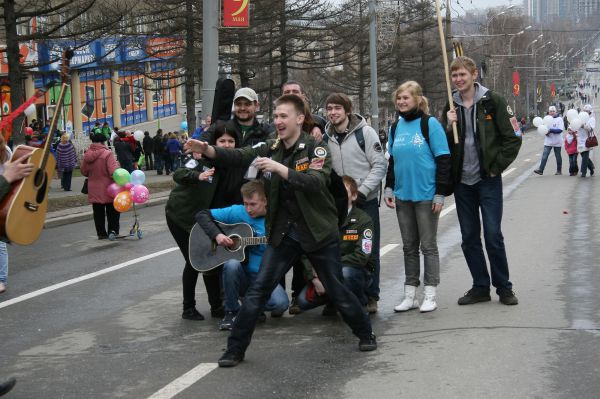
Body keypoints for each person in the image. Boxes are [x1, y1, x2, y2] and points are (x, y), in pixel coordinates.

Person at [185, 94, 377, 368]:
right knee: (258, 291)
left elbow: (315, 182)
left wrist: (280, 168)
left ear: (299, 118)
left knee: (336, 288)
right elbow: (239, 155)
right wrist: (208, 150)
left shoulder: (316, 148)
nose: (278, 121)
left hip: (317, 232)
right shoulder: (271, 146)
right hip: (284, 233)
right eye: (275, 116)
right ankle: (235, 349)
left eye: (283, 116)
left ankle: (364, 332)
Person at [442, 56, 521, 306]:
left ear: (474, 75)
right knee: (468, 237)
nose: (458, 79)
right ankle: (480, 287)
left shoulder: (492, 101)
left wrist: (496, 167)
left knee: (493, 234)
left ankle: (504, 287)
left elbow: (514, 137)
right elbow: (444, 145)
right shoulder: (450, 104)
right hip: (462, 183)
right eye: (454, 76)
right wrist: (447, 125)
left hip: (487, 180)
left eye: (463, 74)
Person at [165, 122, 246, 321]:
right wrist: (197, 175)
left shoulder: (235, 164)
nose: (226, 145)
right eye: (222, 141)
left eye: (231, 141)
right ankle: (188, 308)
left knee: (212, 260)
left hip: (207, 219)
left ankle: (217, 306)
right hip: (182, 216)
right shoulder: (202, 159)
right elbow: (179, 174)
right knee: (195, 261)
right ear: (213, 142)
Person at [384, 81, 452, 313]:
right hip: (403, 196)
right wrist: (389, 188)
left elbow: (443, 159)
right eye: (399, 98)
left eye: (406, 98)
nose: (402, 102)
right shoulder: (395, 127)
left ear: (417, 99)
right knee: (408, 247)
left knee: (428, 246)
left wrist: (440, 193)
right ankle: (410, 294)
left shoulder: (429, 124)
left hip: (426, 195)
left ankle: (430, 293)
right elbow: (392, 161)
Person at [195, 180, 289, 330]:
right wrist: (217, 235)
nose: (248, 209)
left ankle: (250, 306)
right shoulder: (238, 212)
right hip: (241, 276)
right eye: (246, 203)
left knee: (281, 304)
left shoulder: (276, 220)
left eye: (253, 204)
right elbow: (202, 215)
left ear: (265, 201)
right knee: (231, 264)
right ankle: (231, 311)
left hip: (263, 277)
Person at [324, 92, 387, 314]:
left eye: (337, 108)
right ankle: (342, 295)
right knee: (339, 248)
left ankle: (372, 296)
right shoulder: (327, 138)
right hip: (340, 205)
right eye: (329, 108)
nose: (333, 113)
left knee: (369, 250)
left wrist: (362, 191)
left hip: (365, 202)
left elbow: (379, 165)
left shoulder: (366, 133)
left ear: (347, 111)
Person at [297, 176, 374, 312]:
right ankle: (334, 301)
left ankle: (360, 302)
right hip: (325, 272)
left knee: (345, 274)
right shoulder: (320, 218)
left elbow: (362, 256)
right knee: (303, 302)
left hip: (353, 270)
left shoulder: (364, 220)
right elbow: (306, 252)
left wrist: (330, 267)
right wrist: (314, 277)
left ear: (354, 195)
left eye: (344, 192)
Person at [200, 87, 274, 147]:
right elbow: (201, 144)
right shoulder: (220, 126)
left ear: (257, 106)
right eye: (238, 104)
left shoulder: (266, 131)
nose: (242, 108)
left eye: (247, 104)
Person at [80, 133, 121, 239]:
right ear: (103, 142)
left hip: (93, 188)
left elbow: (84, 171)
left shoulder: (87, 154)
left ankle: (101, 234)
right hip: (109, 188)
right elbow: (113, 172)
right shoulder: (108, 154)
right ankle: (113, 232)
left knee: (98, 213)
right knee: (113, 211)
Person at [534, 106, 564, 175]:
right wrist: (546, 132)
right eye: (551, 111)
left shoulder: (559, 119)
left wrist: (550, 130)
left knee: (558, 156)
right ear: (549, 112)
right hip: (548, 141)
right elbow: (544, 129)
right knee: (544, 156)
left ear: (556, 112)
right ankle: (541, 170)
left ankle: (559, 170)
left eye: (553, 111)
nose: (552, 112)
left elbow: (560, 130)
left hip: (557, 141)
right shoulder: (546, 119)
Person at [578, 104, 596, 178]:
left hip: (587, 140)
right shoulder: (579, 117)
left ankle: (583, 172)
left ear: (590, 112)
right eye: (584, 111)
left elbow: (591, 128)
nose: (585, 112)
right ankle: (591, 167)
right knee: (583, 155)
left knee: (585, 156)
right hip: (580, 139)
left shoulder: (592, 119)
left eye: (587, 111)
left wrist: (583, 126)